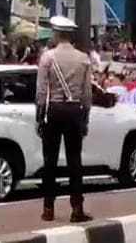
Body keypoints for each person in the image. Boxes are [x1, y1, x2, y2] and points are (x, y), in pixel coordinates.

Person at [35, 16, 93, 223]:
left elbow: (41, 92)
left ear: (57, 34)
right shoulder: (83, 58)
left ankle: (48, 209)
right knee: (74, 160)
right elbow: (87, 94)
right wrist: (85, 119)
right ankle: (77, 209)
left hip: (54, 110)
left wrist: (39, 118)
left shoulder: (47, 57)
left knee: (49, 161)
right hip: (74, 111)